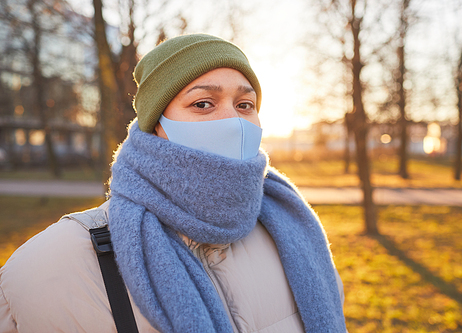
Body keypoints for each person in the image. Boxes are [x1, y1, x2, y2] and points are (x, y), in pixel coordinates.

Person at [0, 34, 347, 333]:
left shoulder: (292, 231)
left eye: (245, 104)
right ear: (156, 123)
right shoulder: (49, 266)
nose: (233, 120)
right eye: (203, 103)